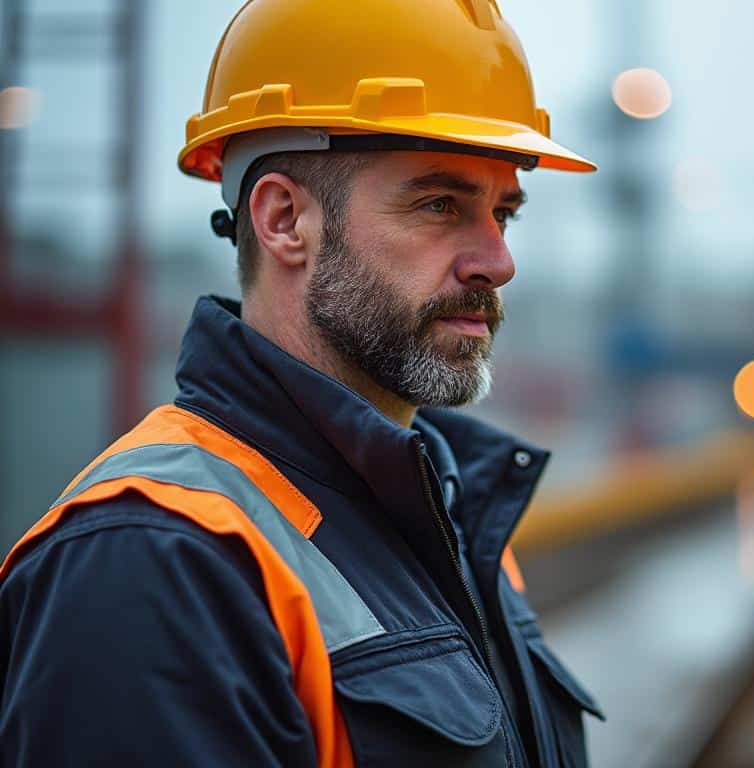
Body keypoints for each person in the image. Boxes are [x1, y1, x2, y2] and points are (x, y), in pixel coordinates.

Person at [0, 1, 604, 765]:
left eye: (503, 213)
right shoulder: (156, 561)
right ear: (285, 219)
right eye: (441, 204)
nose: (497, 260)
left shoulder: (453, 514)